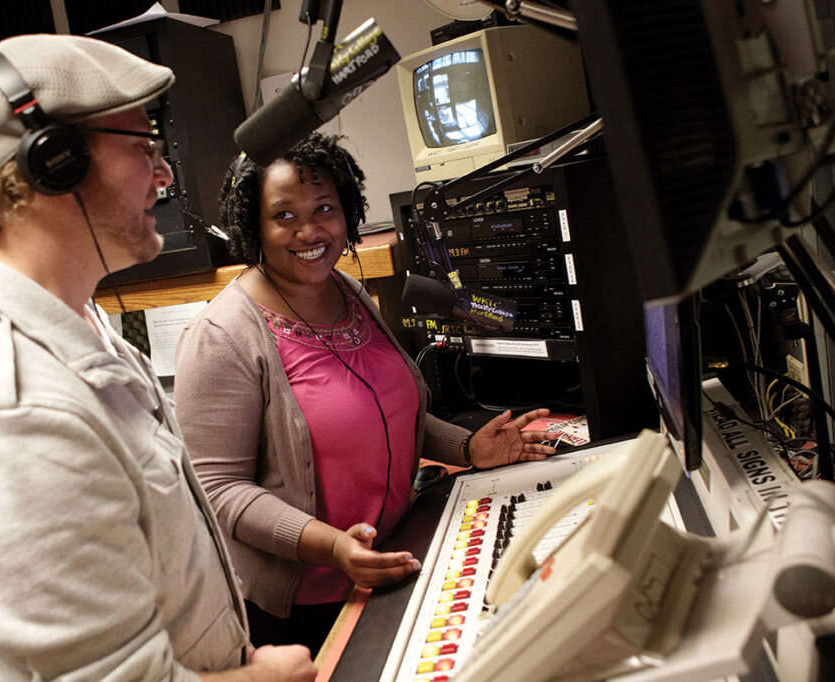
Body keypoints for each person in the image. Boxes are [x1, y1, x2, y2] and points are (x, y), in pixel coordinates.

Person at [0, 34, 315, 682]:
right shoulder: (13, 416)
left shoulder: (70, 318)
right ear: (53, 163)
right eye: (145, 148)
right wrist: (268, 676)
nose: (167, 173)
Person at [173, 133, 557, 655]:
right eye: (284, 215)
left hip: (397, 560)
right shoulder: (221, 336)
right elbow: (218, 491)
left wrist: (468, 449)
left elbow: (396, 416)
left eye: (325, 209)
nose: (310, 230)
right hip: (306, 609)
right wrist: (333, 547)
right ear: (254, 226)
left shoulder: (349, 291)